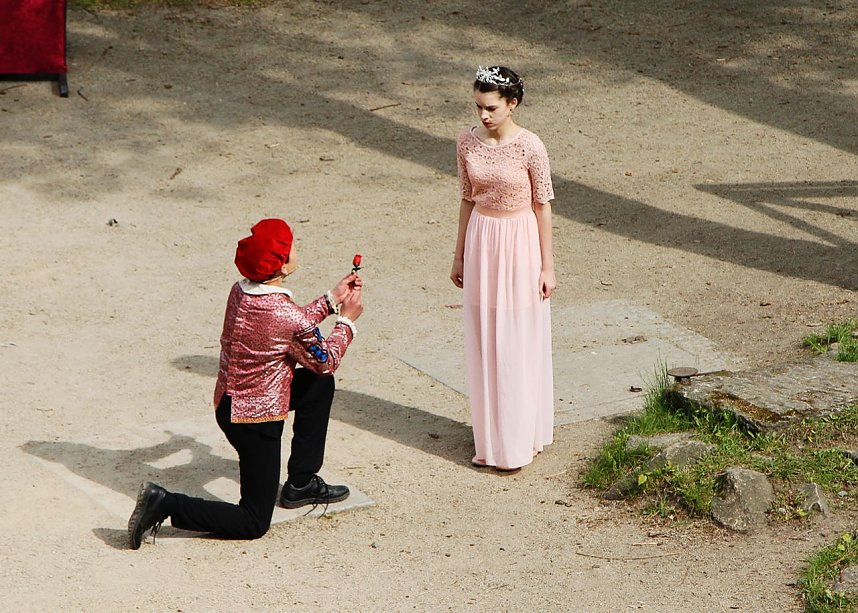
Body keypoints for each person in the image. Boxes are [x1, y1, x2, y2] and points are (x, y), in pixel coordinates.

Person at [128, 218, 364, 549]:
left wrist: (330, 298)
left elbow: (290, 323)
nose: (296, 247)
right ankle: (164, 503)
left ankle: (301, 482)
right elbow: (324, 359)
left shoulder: (241, 290)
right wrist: (345, 321)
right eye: (292, 245)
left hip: (230, 402)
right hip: (256, 420)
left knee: (316, 386)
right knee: (253, 520)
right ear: (282, 265)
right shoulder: (286, 317)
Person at [450, 65, 556, 471]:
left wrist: (548, 266)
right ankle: (491, 438)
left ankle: (517, 438)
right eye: (478, 107)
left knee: (515, 336)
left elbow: (542, 206)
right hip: (482, 238)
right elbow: (465, 197)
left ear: (512, 104)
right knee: (484, 336)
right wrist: (459, 253)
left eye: (491, 107)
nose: (483, 115)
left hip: (519, 241)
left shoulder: (531, 147)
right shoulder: (466, 143)